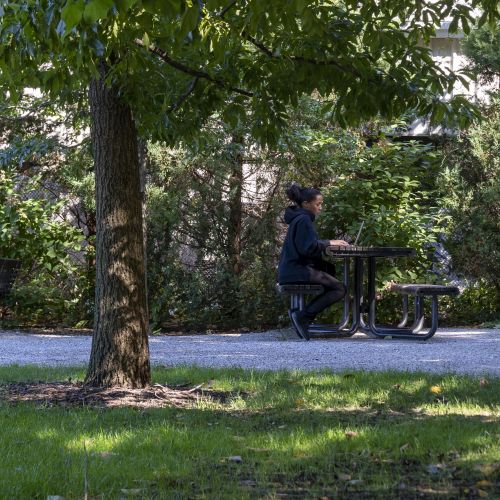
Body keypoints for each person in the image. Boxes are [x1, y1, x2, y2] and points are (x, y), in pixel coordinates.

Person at [278, 183, 348, 340]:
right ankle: (303, 317)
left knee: (331, 277)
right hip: (297, 270)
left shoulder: (299, 218)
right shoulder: (303, 220)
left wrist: (327, 243)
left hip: (291, 269)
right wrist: (330, 243)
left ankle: (302, 317)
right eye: (318, 204)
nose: (320, 208)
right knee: (339, 289)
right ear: (306, 204)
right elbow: (308, 248)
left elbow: (306, 246)